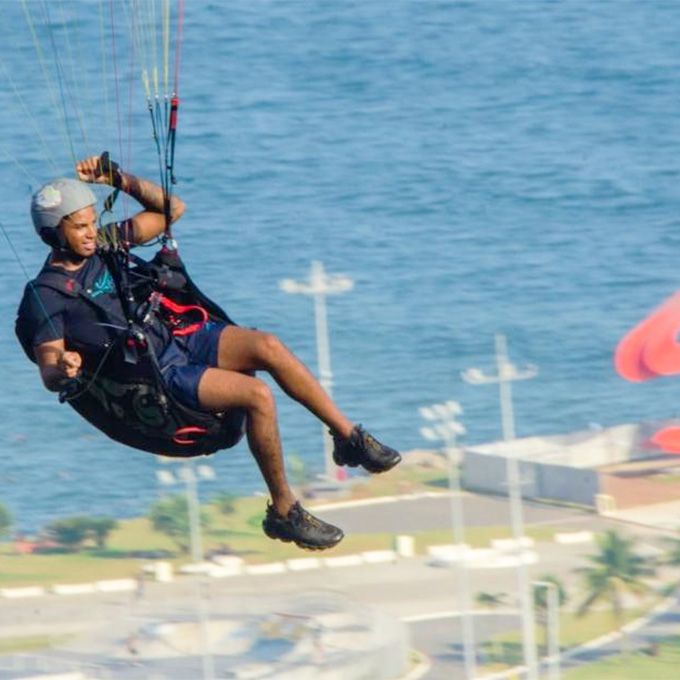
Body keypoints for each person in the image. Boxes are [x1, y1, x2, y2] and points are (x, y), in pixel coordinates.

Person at [16, 154, 401, 551]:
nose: (92, 232)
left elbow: (171, 211)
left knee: (267, 345)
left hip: (177, 334)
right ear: (53, 233)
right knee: (258, 396)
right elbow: (49, 371)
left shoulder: (106, 244)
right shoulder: (46, 295)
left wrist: (119, 179)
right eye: (80, 226)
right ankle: (284, 511)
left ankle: (348, 437)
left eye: (93, 221)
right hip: (157, 375)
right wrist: (64, 366)